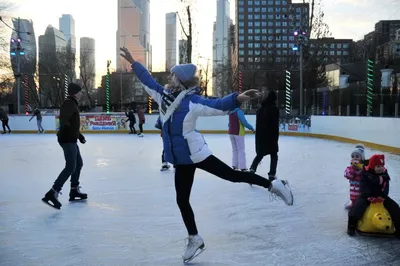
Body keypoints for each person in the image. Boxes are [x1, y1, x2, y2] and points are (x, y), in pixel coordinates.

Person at [120, 47, 293, 263]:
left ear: (178, 80)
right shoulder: (162, 96)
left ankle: (274, 186)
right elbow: (147, 80)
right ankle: (195, 238)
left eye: (173, 75)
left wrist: (238, 98)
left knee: (232, 175)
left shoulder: (193, 102)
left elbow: (218, 105)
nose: (170, 77)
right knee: (182, 200)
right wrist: (133, 62)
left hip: (196, 153)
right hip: (181, 159)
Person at [42, 83, 88, 210]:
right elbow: (64, 121)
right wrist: (69, 134)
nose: (81, 94)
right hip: (67, 140)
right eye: (80, 92)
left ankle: (74, 190)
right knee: (71, 166)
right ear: (74, 93)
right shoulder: (68, 103)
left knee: (78, 164)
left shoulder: (72, 104)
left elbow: (71, 123)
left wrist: (79, 135)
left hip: (71, 138)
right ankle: (52, 192)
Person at [347, 154, 400, 237]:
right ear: (372, 166)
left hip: (381, 196)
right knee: (358, 206)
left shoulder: (384, 173)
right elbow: (364, 187)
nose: (380, 168)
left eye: (381, 166)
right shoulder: (365, 173)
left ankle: (399, 229)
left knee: (395, 207)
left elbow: (386, 187)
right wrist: (369, 196)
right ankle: (351, 227)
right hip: (366, 195)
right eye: (378, 166)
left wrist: (382, 196)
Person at [249, 90, 279, 181]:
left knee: (260, 154)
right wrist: (276, 137)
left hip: (260, 136)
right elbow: (275, 124)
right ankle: (271, 175)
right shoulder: (274, 109)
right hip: (271, 136)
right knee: (274, 154)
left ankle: (252, 170)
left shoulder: (260, 109)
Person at [228, 107, 255, 171]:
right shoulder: (239, 112)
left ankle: (235, 165)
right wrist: (252, 128)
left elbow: (229, 123)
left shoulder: (230, 111)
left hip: (231, 132)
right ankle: (242, 167)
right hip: (238, 132)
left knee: (235, 150)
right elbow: (244, 122)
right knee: (241, 150)